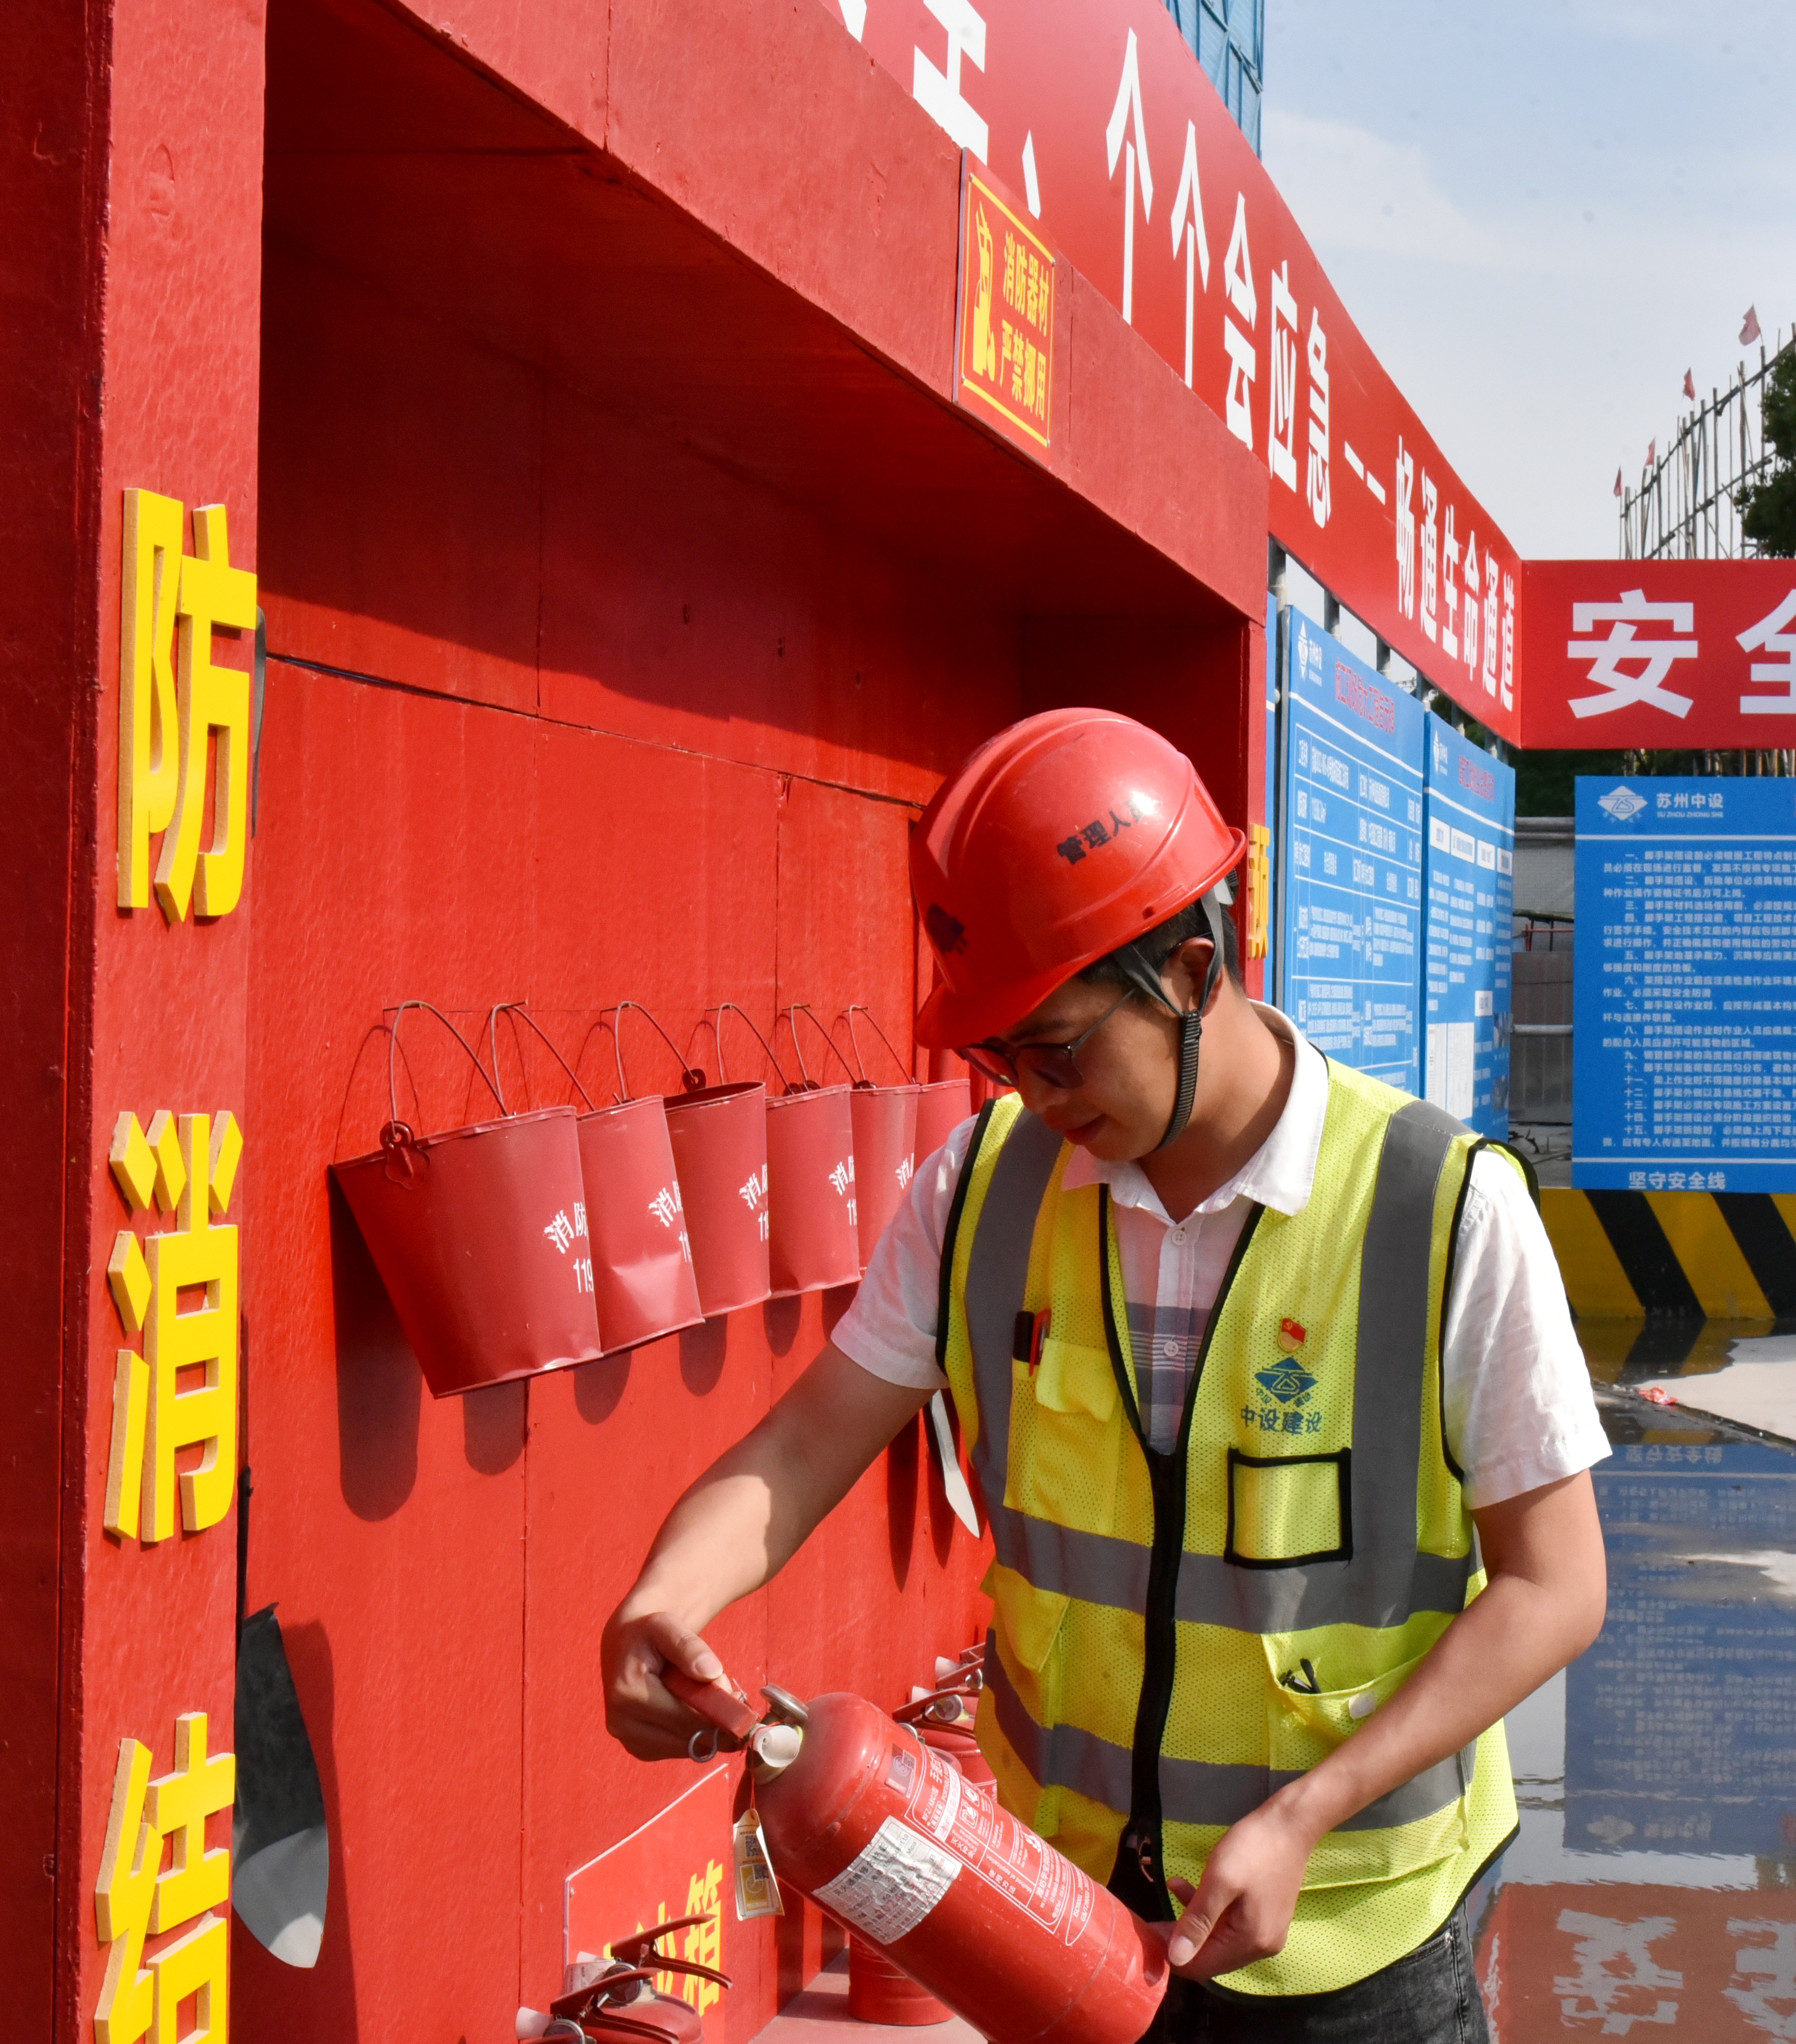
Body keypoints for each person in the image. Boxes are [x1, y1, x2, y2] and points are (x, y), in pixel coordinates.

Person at [601, 708, 1609, 2041]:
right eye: (997, 1055)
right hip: (1063, 1917)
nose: (1027, 1088)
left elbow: (1556, 1585)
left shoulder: (1441, 1209)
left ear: (1191, 973)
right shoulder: (982, 1197)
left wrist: (1308, 1812)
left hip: (1351, 1936)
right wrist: (666, 1592)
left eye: (1059, 1048)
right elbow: (805, 1446)